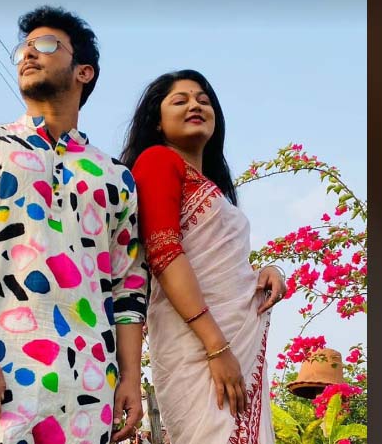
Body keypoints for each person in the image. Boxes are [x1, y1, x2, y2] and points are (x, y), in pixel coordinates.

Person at [0, 6, 147, 444]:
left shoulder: (116, 178)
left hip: (88, 391)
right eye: (24, 48)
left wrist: (130, 379)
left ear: (84, 72)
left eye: (46, 44)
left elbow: (128, 288)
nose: (28, 54)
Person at [119, 69, 284, 443]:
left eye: (203, 100)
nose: (195, 105)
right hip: (200, 347)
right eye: (180, 100)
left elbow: (216, 264)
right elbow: (164, 254)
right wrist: (216, 348)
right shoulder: (158, 160)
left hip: (229, 345)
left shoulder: (214, 190)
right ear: (157, 121)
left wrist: (267, 270)